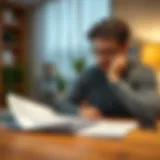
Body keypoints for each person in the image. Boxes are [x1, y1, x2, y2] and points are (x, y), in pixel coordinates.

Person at [64, 18, 160, 123]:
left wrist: (114, 80)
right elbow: (63, 103)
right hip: (101, 134)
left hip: (136, 135)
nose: (101, 59)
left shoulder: (144, 72)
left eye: (109, 52)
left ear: (125, 49)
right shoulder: (91, 74)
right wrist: (79, 111)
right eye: (97, 52)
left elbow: (149, 110)